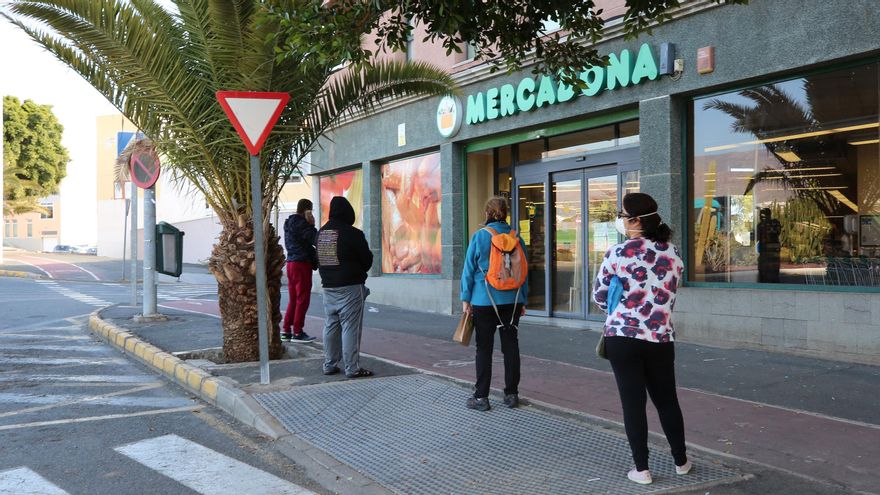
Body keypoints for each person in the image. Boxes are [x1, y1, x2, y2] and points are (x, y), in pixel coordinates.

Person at [591, 192, 690, 485]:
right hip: (660, 337)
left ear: (635, 221)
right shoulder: (673, 254)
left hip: (623, 336)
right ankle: (681, 461)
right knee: (667, 400)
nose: (620, 220)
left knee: (633, 403)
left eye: (622, 215)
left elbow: (599, 296)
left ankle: (642, 469)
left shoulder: (617, 253)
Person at [460, 197, 528, 411]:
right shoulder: (517, 238)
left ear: (487, 213)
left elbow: (468, 271)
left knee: (484, 348)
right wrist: (522, 299)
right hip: (512, 300)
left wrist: (465, 298)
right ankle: (511, 395)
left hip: (484, 300)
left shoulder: (480, 236)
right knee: (511, 346)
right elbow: (524, 272)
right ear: (506, 213)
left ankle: (481, 397)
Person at [316, 196, 374, 378]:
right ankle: (352, 368)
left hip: (328, 287)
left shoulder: (321, 234)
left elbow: (318, 260)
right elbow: (367, 260)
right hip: (350, 287)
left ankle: (329, 364)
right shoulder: (353, 233)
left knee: (331, 325)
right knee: (350, 327)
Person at [282, 199, 318, 342]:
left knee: (293, 299)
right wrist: (312, 224)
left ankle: (286, 331)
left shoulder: (289, 223)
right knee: (302, 299)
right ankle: (298, 331)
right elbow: (314, 239)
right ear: (307, 210)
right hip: (302, 264)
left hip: (290, 263)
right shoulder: (302, 224)